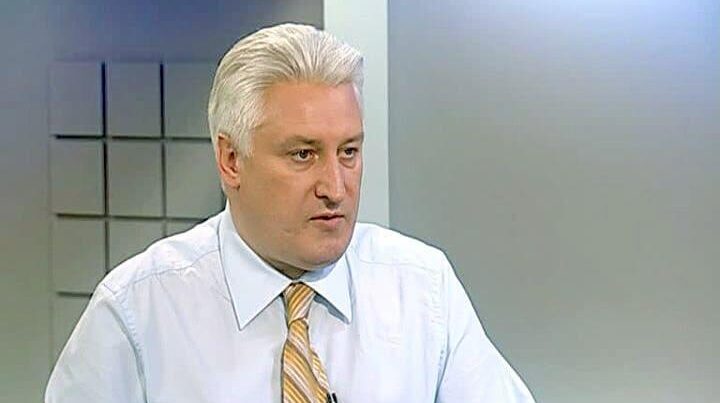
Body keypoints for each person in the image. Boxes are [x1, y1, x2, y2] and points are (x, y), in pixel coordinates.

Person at [45, 23, 535, 403]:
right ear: (231, 160)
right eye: (303, 154)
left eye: (349, 152)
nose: (335, 188)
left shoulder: (423, 289)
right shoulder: (136, 313)